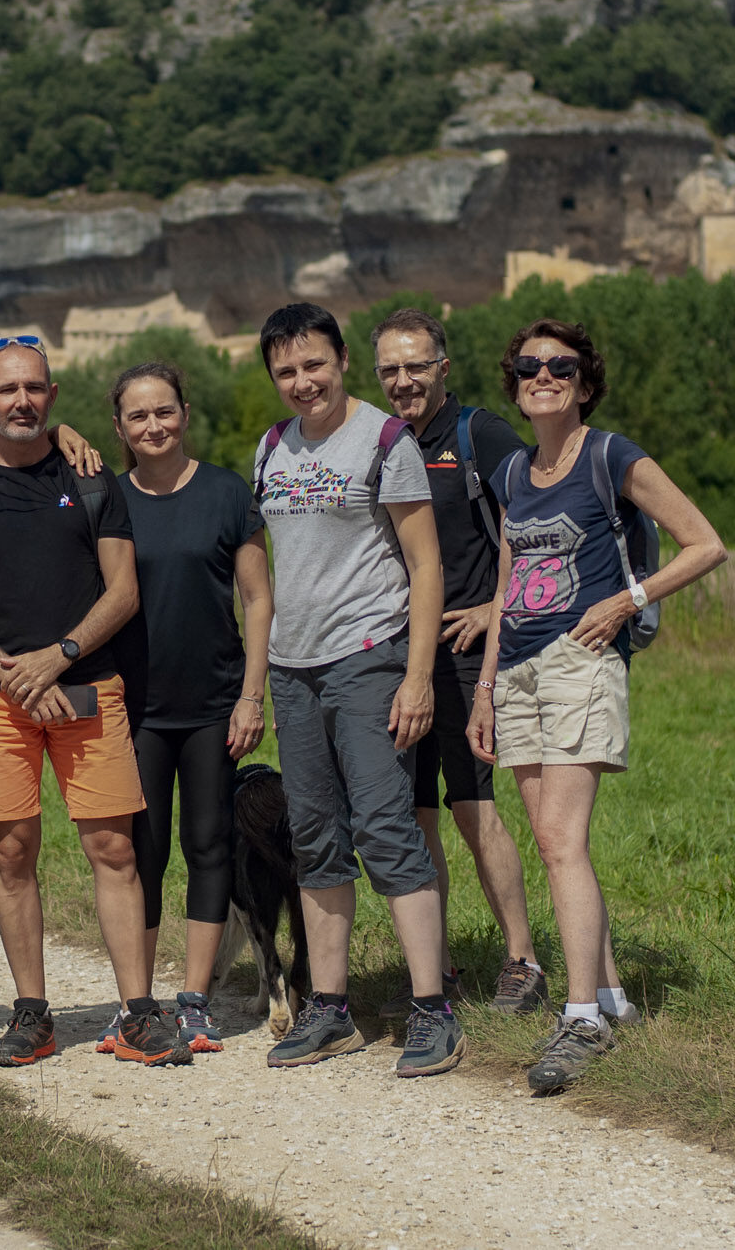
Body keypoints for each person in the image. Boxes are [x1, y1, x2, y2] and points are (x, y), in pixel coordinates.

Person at [466, 318, 726, 1090]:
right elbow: (505, 588)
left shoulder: (613, 454)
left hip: (579, 660)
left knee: (558, 836)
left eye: (562, 366)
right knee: (554, 843)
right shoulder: (512, 473)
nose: (544, 375)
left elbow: (705, 543)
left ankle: (580, 1016)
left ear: (584, 381)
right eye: (529, 366)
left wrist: (626, 600)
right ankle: (609, 994)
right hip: (514, 668)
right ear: (513, 382)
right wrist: (483, 686)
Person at [0, 336, 192, 1068]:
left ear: (51, 394)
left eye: (34, 388)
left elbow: (123, 590)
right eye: (6, 390)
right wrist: (17, 673)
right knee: (12, 854)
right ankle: (32, 1013)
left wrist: (60, 656)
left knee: (112, 847)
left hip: (86, 684)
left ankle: (139, 1011)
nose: (22, 401)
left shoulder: (93, 478)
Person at [252, 302, 463, 1077]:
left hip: (369, 659)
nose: (302, 382)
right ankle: (330, 1008)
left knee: (385, 826)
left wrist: (416, 676)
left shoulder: (384, 441)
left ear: (341, 359)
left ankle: (432, 1008)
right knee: (314, 834)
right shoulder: (270, 447)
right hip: (293, 666)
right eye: (286, 371)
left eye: (314, 364)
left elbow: (426, 564)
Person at [370, 308, 548, 1016]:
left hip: (471, 657)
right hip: (396, 656)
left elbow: (530, 524)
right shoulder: (382, 442)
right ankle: (435, 968)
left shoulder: (480, 434)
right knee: (415, 817)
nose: (404, 380)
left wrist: (493, 609)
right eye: (391, 369)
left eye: (417, 366)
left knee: (474, 809)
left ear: (444, 368)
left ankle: (521, 959)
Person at [104, 361, 273, 1054]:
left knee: (208, 847)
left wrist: (250, 694)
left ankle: (195, 1000)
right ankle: (136, 1005)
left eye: (164, 411)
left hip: (212, 703)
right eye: (138, 416)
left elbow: (259, 599)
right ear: (119, 427)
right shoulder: (106, 500)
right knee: (141, 854)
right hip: (134, 708)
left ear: (186, 411)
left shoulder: (228, 492)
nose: (153, 426)